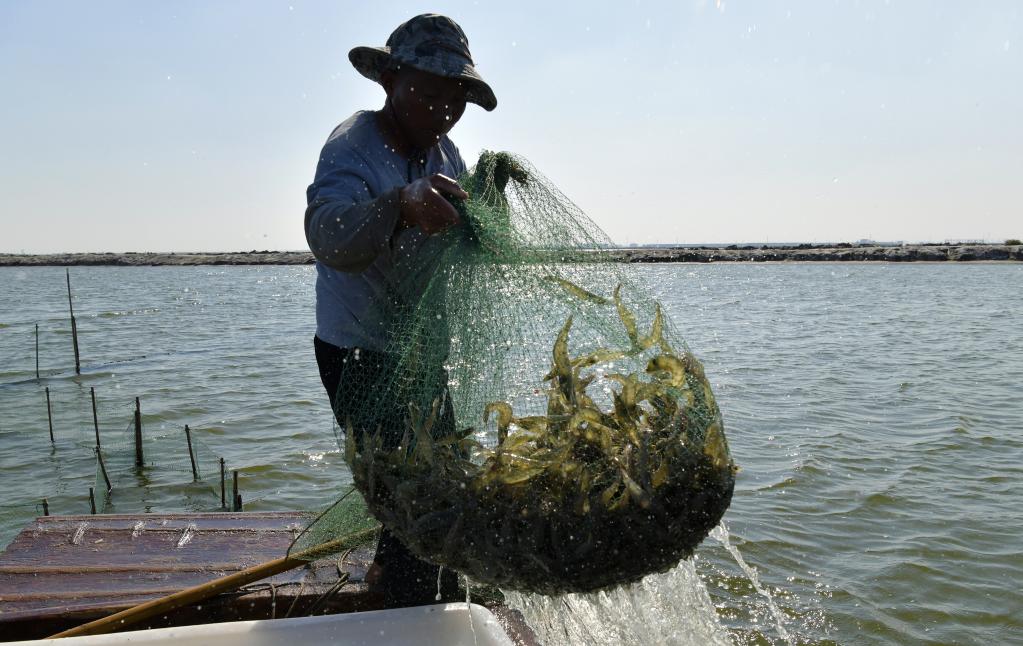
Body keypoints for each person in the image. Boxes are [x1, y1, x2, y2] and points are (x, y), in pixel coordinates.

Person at [304, 14, 496, 608]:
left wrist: (482, 220)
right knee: (409, 491)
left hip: (417, 348)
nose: (442, 111)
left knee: (444, 483)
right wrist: (399, 203)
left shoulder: (446, 152)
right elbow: (326, 233)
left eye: (455, 99)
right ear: (389, 80)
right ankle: (409, 603)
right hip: (358, 351)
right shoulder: (352, 146)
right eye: (428, 94)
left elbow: (453, 245)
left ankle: (406, 581)